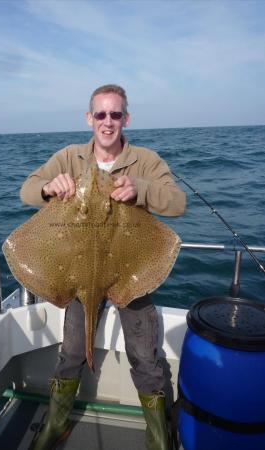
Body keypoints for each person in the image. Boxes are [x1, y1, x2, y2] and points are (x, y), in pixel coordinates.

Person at [21, 85, 186, 450]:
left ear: (126, 118)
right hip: (77, 272)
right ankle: (56, 421)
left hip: (129, 271)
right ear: (89, 118)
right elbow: (27, 190)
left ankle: (159, 436)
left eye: (115, 114)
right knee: (71, 353)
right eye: (101, 114)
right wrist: (49, 186)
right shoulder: (68, 157)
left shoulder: (145, 160)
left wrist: (141, 189)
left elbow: (177, 202)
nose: (108, 122)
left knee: (145, 355)